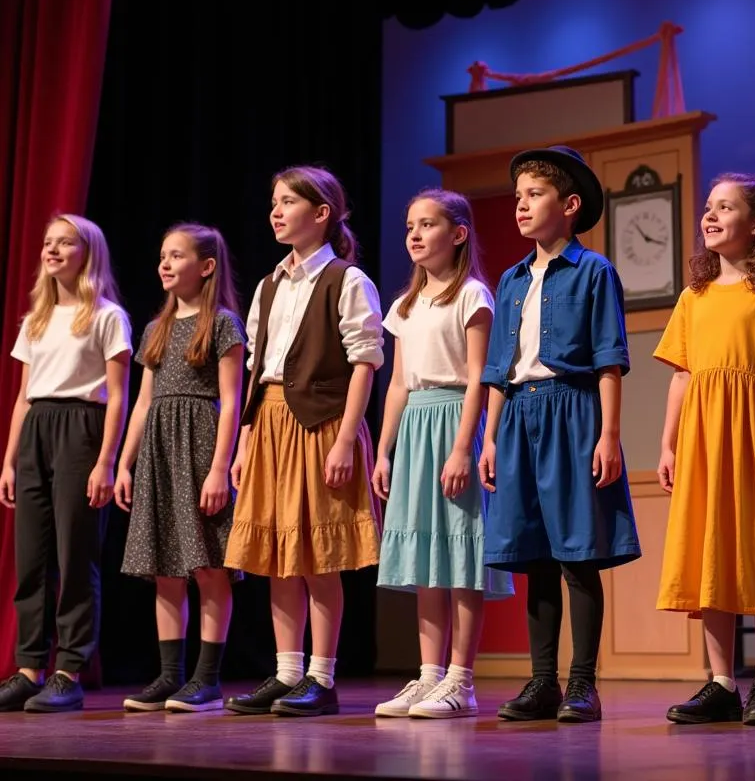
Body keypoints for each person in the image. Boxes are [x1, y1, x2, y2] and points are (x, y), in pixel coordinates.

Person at [479, 145, 641, 725]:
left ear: (569, 205)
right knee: (534, 554)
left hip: (573, 413)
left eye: (535, 195)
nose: (521, 205)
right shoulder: (512, 278)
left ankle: (582, 684)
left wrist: (609, 435)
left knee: (578, 551)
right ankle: (542, 680)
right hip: (520, 415)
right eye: (518, 196)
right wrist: (490, 437)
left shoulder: (594, 272)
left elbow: (608, 359)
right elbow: (499, 366)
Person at [223, 165, 384, 717]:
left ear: (321, 214)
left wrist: (344, 440)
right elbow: (256, 366)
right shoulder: (270, 284)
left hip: (318, 423)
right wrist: (244, 441)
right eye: (274, 201)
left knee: (318, 553)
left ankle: (322, 675)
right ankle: (287, 671)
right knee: (276, 553)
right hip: (268, 421)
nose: (276, 210)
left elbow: (365, 362)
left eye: (288, 201)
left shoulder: (347, 280)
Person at [655, 173, 755, 727]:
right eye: (708, 207)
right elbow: (680, 375)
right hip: (702, 439)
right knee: (711, 549)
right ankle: (721, 681)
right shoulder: (693, 297)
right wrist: (669, 442)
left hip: (753, 437)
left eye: (726, 207)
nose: (711, 216)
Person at [372, 189, 514, 720]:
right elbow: (397, 386)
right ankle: (429, 675)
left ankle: (461, 679)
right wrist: (384, 450)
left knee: (459, 552)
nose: (414, 233)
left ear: (457, 234)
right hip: (415, 428)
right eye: (410, 224)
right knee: (426, 557)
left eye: (427, 224)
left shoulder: (472, 295)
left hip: (455, 423)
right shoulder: (405, 305)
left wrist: (462, 447)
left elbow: (481, 375)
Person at [0, 214, 131, 712]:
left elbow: (118, 396)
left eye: (65, 243)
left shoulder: (106, 315)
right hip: (37, 428)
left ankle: (69, 669)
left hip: (82, 428)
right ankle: (29, 668)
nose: (51, 250)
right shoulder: (37, 317)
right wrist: (10, 461)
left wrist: (106, 461)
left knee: (75, 554)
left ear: (87, 252)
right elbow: (23, 397)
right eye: (47, 242)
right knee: (31, 558)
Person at [116, 223, 245, 712]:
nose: (164, 264)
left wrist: (219, 469)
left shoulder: (224, 324)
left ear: (206, 267)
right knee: (164, 568)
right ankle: (170, 676)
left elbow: (232, 402)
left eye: (176, 256)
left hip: (200, 446)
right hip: (158, 453)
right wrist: (125, 464)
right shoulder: (155, 328)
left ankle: (206, 679)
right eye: (162, 256)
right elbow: (143, 403)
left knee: (208, 566)